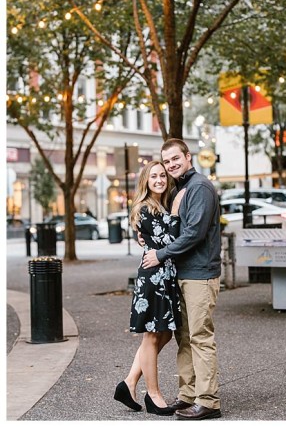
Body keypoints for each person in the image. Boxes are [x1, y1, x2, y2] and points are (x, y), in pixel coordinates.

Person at [142, 138, 223, 420]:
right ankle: (188, 395)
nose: (171, 164)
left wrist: (160, 254)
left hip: (200, 275)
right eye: (167, 161)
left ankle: (209, 401)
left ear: (188, 157)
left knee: (200, 337)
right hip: (184, 274)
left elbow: (194, 234)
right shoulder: (181, 188)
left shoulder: (199, 186)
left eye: (176, 158)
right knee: (185, 338)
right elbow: (169, 227)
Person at [114, 161, 182, 416]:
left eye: (162, 175)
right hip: (154, 278)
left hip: (166, 277)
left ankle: (129, 382)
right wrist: (176, 214)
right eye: (153, 176)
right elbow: (170, 240)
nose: (159, 180)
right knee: (152, 336)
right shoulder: (145, 208)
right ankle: (153, 395)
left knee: (163, 334)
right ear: (146, 181)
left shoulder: (162, 204)